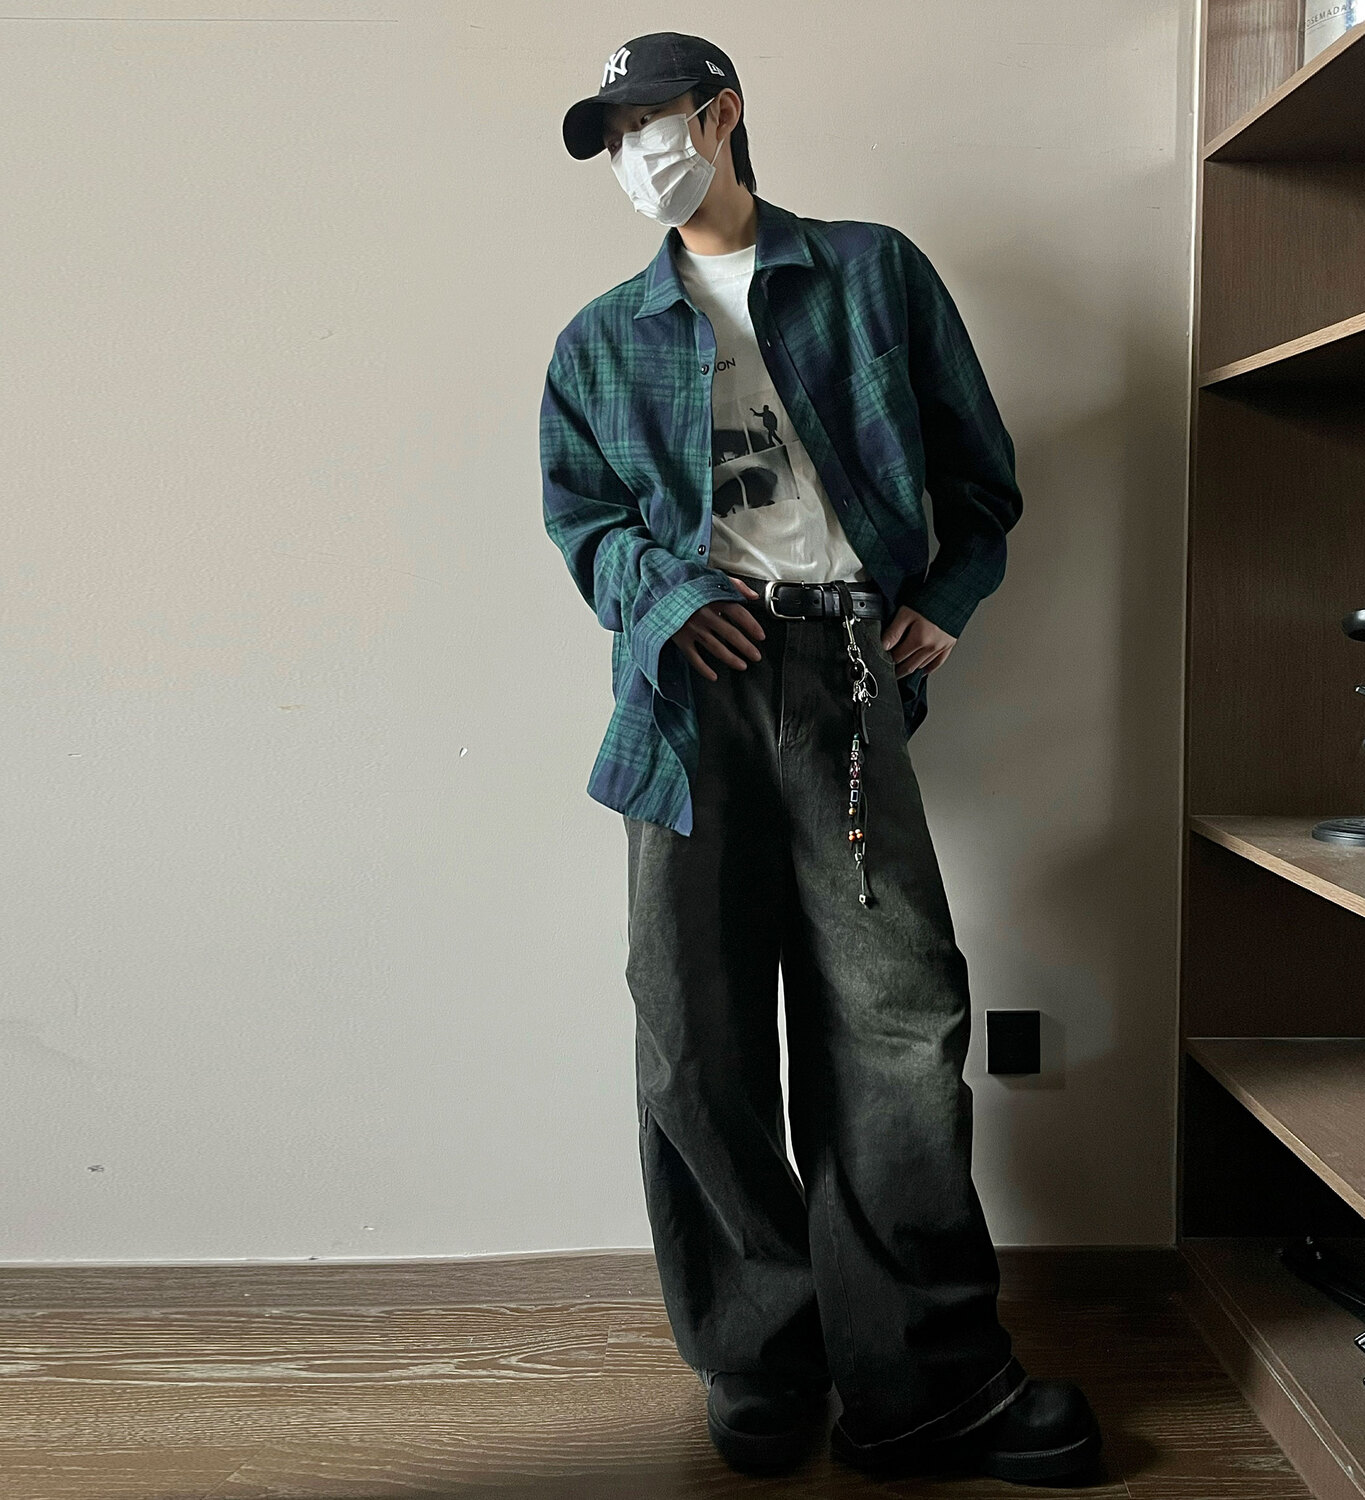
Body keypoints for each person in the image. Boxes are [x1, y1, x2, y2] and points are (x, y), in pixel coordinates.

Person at [539, 31, 1102, 1485]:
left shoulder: (871, 273)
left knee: (897, 1025)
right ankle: (760, 1358)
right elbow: (584, 521)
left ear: (719, 115)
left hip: (848, 673)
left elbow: (979, 475)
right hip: (689, 699)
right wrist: (664, 598)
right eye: (610, 139)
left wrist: (943, 604)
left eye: (646, 124)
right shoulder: (599, 340)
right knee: (695, 1034)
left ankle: (926, 1385)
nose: (632, 158)